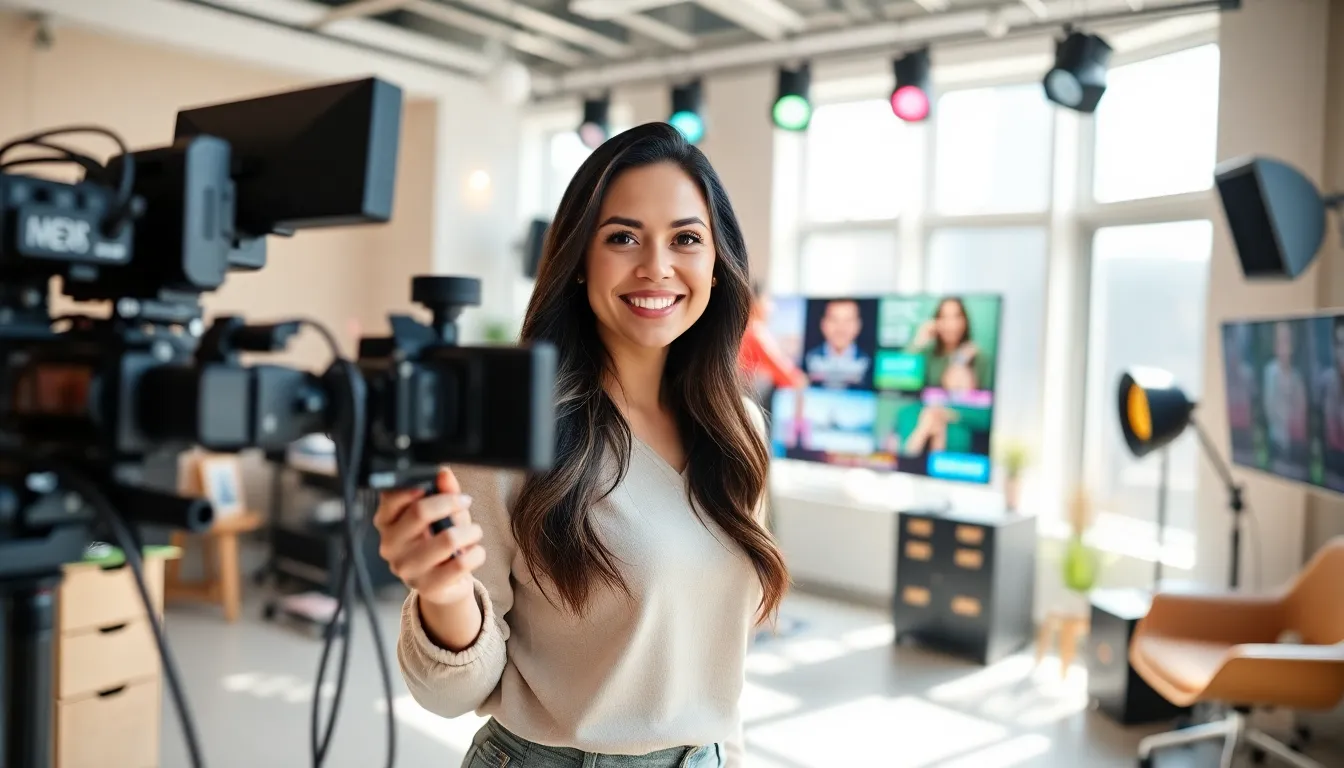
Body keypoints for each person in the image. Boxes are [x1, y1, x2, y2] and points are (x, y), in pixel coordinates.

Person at [373, 123, 788, 768]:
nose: (657, 266)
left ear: (717, 262)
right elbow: (453, 693)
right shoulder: (514, 430)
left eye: (686, 238)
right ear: (577, 259)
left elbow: (722, 662)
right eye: (623, 237)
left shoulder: (740, 433)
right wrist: (445, 595)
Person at [1263, 320, 1307, 461]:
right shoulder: (1270, 373)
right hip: (1276, 443)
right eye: (1280, 341)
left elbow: (1301, 414)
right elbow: (1270, 409)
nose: (1284, 348)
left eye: (1287, 341)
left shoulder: (1297, 378)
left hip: (1295, 445)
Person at [803, 299, 871, 388]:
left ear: (858, 325)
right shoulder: (808, 359)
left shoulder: (868, 362)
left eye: (848, 321)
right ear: (824, 324)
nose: (840, 328)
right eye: (834, 320)